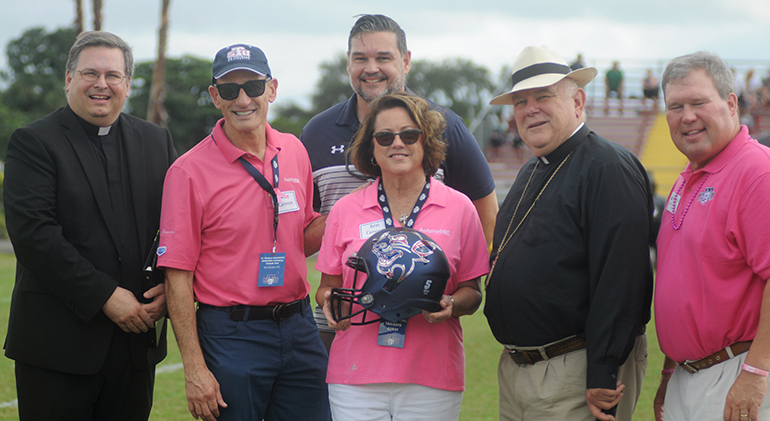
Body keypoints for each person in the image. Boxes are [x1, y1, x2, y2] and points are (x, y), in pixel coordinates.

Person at [3, 31, 177, 420]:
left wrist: (171, 285)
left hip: (135, 344)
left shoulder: (156, 141)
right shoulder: (34, 142)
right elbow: (34, 235)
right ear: (68, 79)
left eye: (113, 75)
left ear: (127, 85)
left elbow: (178, 226)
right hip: (58, 346)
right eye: (90, 73)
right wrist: (105, 295)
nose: (102, 84)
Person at [300, 13, 498, 352]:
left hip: (422, 322)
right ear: (348, 64)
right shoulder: (317, 133)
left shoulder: (445, 125)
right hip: (342, 324)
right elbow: (299, 240)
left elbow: (487, 216)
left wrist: (462, 287)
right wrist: (348, 218)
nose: (371, 67)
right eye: (360, 58)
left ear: (405, 61)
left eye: (383, 57)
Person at [158, 44, 329, 421]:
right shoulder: (187, 172)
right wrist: (194, 369)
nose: (243, 99)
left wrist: (346, 211)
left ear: (272, 89)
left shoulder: (295, 150)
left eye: (253, 86)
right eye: (230, 89)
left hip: (300, 328)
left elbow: (300, 238)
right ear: (215, 96)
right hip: (232, 334)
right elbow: (177, 276)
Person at [485, 46, 653, 421]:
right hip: (520, 370)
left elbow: (621, 279)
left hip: (575, 369)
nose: (530, 108)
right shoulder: (531, 172)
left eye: (543, 96)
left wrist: (602, 371)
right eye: (520, 101)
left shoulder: (607, 167)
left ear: (577, 100)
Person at [315, 92, 488, 420]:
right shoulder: (345, 210)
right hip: (355, 376)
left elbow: (473, 292)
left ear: (427, 142)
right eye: (384, 136)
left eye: (409, 135)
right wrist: (330, 301)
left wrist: (452, 305)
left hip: (432, 376)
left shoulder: (460, 208)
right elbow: (326, 287)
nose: (398, 143)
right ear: (372, 147)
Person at [653, 51, 770, 421]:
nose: (686, 116)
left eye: (698, 102)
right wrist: (671, 372)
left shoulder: (756, 173)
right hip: (689, 375)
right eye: (675, 106)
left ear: (731, 103)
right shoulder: (688, 176)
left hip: (736, 370)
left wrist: (755, 372)